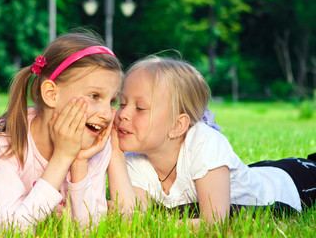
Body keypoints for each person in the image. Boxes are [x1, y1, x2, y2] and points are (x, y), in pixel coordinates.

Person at [108, 55, 316, 224]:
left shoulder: (204, 143)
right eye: (123, 103)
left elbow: (215, 223)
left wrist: (158, 222)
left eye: (140, 108)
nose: (123, 114)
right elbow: (130, 217)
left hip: (293, 185)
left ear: (177, 126)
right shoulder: (136, 157)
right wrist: (115, 153)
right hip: (254, 173)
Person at [0, 31, 123, 229]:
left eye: (112, 100)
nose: (106, 114)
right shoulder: (1, 142)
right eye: (95, 96)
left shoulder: (95, 147)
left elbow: (90, 229)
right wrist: (62, 157)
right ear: (51, 94)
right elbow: (12, 230)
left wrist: (80, 162)